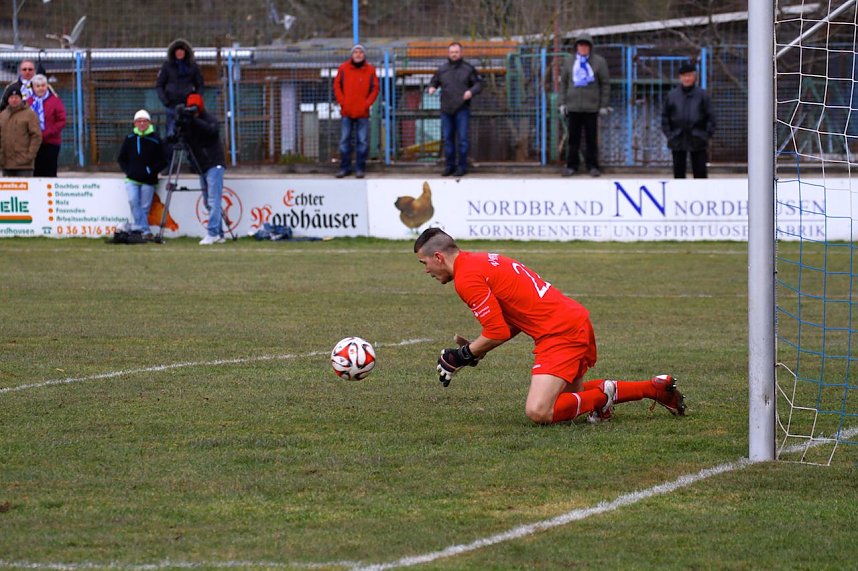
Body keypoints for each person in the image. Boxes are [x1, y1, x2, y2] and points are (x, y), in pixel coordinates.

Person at [414, 227, 686, 425]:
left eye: (423, 263)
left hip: (560, 333)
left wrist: (462, 355)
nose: (425, 270)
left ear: (438, 257)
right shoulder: (481, 259)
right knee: (573, 400)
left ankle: (604, 398)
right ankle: (654, 388)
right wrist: (475, 350)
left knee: (540, 411)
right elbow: (512, 324)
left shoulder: (466, 278)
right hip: (573, 320)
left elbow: (496, 332)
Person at [176, 93, 227, 245]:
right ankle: (219, 233)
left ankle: (212, 233)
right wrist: (181, 122)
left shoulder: (209, 120)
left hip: (214, 164)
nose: (194, 112)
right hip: (202, 165)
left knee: (213, 200)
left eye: (196, 109)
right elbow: (182, 137)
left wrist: (194, 120)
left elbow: (212, 131)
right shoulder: (190, 123)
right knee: (207, 202)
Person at [558, 34, 610, 177]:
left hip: (591, 107)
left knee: (591, 139)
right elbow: (563, 83)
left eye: (586, 45)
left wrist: (603, 105)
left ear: (590, 47)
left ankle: (592, 166)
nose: (583, 48)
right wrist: (562, 103)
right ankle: (571, 165)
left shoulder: (599, 62)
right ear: (576, 47)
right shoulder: (569, 62)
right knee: (573, 139)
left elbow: (605, 84)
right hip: (573, 106)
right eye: (580, 45)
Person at [428, 42, 483, 177]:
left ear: (461, 53)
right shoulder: (442, 69)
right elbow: (434, 81)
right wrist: (432, 87)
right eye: (452, 52)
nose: (454, 54)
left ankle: (462, 166)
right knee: (448, 139)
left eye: (456, 52)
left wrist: (471, 92)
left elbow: (478, 84)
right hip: (446, 109)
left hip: (462, 108)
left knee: (462, 140)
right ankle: (449, 166)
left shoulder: (468, 69)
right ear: (448, 53)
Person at [117, 109, 167, 239]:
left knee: (145, 207)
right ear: (134, 123)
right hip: (132, 179)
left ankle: (141, 232)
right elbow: (121, 158)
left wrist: (151, 171)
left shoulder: (156, 139)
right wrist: (129, 170)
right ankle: (145, 231)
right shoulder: (129, 139)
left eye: (144, 121)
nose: (142, 124)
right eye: (139, 121)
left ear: (149, 122)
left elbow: (163, 160)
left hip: (148, 180)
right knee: (133, 201)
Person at [661, 61, 717, 179]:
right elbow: (665, 117)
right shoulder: (672, 96)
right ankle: (679, 196)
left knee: (700, 173)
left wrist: (705, 135)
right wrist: (670, 134)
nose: (687, 78)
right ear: (680, 77)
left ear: (694, 77)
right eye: (684, 76)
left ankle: (701, 196)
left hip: (698, 139)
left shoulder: (702, 95)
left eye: (689, 75)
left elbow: (711, 117)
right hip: (677, 139)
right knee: (678, 173)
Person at [333, 44, 379, 179]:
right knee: (344, 141)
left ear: (364, 55)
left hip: (362, 112)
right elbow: (337, 85)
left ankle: (360, 168)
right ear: (352, 55)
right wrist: (343, 102)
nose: (358, 55)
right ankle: (344, 168)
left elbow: (375, 88)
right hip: (346, 111)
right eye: (355, 52)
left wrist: (367, 103)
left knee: (362, 141)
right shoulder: (343, 68)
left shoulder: (370, 70)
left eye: (360, 52)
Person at [156, 39, 204, 139]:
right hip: (171, 106)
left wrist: (195, 102)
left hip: (188, 107)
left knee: (190, 135)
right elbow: (159, 85)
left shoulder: (193, 67)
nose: (179, 52)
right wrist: (165, 101)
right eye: (177, 50)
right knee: (171, 134)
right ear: (174, 52)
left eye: (182, 50)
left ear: (186, 52)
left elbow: (200, 85)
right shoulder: (167, 66)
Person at [27, 74, 67, 177]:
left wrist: (48, 132)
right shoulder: (29, 102)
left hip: (50, 142)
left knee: (49, 173)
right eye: (38, 86)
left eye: (43, 85)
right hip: (32, 144)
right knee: (35, 173)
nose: (41, 88)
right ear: (33, 87)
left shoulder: (55, 101)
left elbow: (61, 120)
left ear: (47, 86)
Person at [0, 87, 42, 177]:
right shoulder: (2, 115)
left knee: (25, 190)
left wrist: (30, 155)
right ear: (8, 99)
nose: (14, 100)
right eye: (11, 97)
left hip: (24, 165)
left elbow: (36, 136)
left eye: (16, 97)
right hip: (6, 163)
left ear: (21, 98)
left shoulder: (30, 114)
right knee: (8, 191)